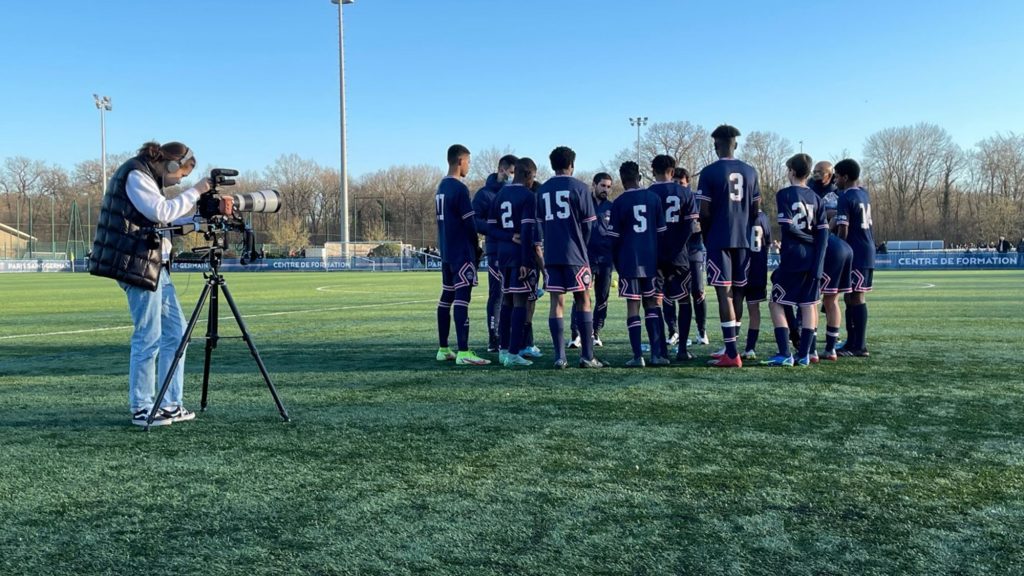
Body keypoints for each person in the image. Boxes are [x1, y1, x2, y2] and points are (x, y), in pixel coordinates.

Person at [89, 141, 228, 427]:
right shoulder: (136, 175)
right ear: (171, 164)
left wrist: (196, 220)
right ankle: (142, 407)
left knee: (176, 333)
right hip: (136, 264)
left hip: (153, 266)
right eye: (181, 175)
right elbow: (161, 213)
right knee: (148, 336)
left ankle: (170, 404)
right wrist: (196, 191)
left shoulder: (147, 178)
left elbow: (162, 218)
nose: (180, 181)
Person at [696, 125, 761, 367]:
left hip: (719, 238)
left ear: (716, 145)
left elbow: (703, 212)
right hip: (744, 240)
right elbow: (756, 210)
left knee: (724, 293)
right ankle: (731, 347)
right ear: (736, 144)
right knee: (738, 292)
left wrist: (707, 236)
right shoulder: (751, 171)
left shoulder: (709, 172)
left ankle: (731, 353)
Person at [536, 146, 603, 368]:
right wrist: (582, 245)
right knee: (583, 300)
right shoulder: (580, 188)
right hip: (576, 255)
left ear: (552, 165)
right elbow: (589, 225)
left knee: (556, 302)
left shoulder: (542, 190)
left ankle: (560, 357)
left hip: (552, 255)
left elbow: (540, 224)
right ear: (572, 165)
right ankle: (587, 356)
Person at [762, 153, 828, 367]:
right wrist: (818, 257)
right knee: (809, 305)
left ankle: (784, 353)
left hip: (793, 256)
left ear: (791, 171)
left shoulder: (784, 194)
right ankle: (805, 354)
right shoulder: (817, 198)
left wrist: (808, 238)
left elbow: (789, 227)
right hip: (813, 257)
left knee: (775, 303)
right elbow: (824, 234)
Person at [434, 144, 490, 366]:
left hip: (447, 251)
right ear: (460, 161)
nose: (469, 166)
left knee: (446, 297)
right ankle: (464, 351)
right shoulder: (459, 189)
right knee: (462, 299)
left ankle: (443, 348)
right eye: (468, 161)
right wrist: (476, 248)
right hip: (462, 252)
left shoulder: (441, 187)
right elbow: (470, 223)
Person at [607, 161, 668, 367]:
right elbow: (661, 233)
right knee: (651, 305)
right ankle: (656, 354)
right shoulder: (653, 198)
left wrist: (617, 262)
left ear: (622, 179)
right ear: (639, 178)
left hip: (628, 262)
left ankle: (637, 356)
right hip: (650, 262)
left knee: (632, 307)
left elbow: (613, 238)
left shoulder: (619, 202)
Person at [489, 157, 541, 367]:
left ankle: (503, 350)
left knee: (507, 302)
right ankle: (513, 353)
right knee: (521, 302)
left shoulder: (500, 194)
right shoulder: (528, 196)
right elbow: (527, 230)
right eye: (533, 177)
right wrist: (527, 261)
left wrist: (507, 237)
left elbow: (490, 228)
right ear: (527, 175)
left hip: (503, 256)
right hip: (520, 256)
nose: (533, 181)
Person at [649, 156, 700, 361]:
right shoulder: (686, 192)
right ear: (672, 171)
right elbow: (691, 226)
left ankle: (660, 350)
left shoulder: (648, 194)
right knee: (684, 299)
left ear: (653, 171)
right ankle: (682, 350)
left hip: (655, 255)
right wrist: (679, 246)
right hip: (679, 255)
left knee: (655, 300)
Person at [473, 154, 517, 352]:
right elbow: (475, 221)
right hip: (496, 251)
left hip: (515, 250)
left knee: (516, 293)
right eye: (512, 172)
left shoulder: (516, 192)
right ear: (501, 170)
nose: (513, 176)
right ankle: (494, 336)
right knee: (498, 293)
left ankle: (515, 336)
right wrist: (496, 230)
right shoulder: (485, 194)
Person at [834, 158, 875, 357]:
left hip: (856, 252)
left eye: (837, 176)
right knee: (850, 296)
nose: (835, 180)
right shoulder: (863, 194)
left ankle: (859, 345)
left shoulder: (845, 197)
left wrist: (836, 248)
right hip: (865, 249)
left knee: (857, 296)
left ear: (845, 177)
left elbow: (843, 229)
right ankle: (852, 342)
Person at [569, 173, 614, 349]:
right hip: (585, 258)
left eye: (608, 187)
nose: (605, 190)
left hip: (606, 259)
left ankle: (595, 332)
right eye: (602, 185)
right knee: (580, 295)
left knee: (602, 297)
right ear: (594, 185)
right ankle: (576, 334)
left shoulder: (612, 207)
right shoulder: (583, 203)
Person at [673, 167, 709, 347]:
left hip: (694, 249)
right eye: (675, 182)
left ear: (687, 183)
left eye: (681, 183)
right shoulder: (668, 198)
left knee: (698, 291)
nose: (678, 186)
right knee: (673, 293)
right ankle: (673, 331)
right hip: (675, 251)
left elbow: (702, 223)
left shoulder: (695, 198)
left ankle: (702, 331)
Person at [741, 208, 772, 359]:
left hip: (741, 266)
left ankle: (730, 346)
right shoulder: (763, 217)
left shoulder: (740, 213)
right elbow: (768, 243)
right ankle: (750, 348)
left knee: (734, 305)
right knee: (754, 309)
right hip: (758, 267)